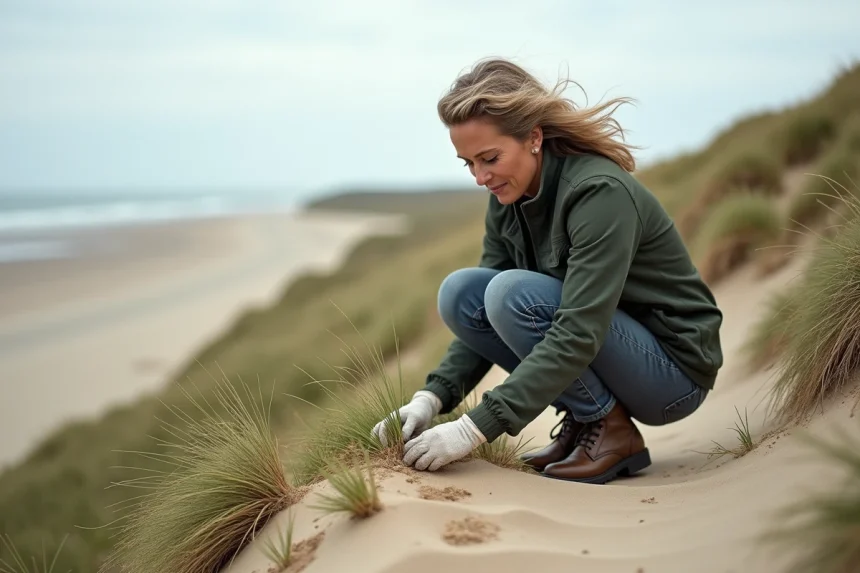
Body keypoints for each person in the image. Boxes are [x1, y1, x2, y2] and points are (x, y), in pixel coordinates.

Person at [371, 57, 724, 484]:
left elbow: (578, 329)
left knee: (509, 294)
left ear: (534, 137)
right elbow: (481, 315)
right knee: (462, 293)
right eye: (469, 163)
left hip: (671, 375)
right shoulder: (507, 198)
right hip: (606, 349)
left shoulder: (597, 193)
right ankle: (588, 418)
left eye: (490, 158)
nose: (481, 177)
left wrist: (474, 428)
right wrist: (432, 396)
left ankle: (611, 431)